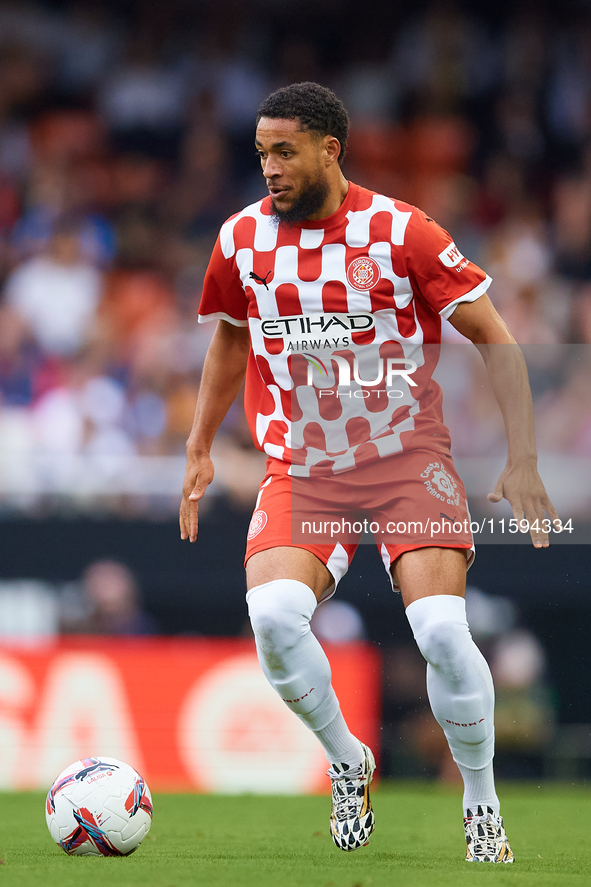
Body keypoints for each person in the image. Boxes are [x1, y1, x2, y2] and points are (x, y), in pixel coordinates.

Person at [180, 82, 558, 863]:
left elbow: (494, 335)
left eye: (284, 151)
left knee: (440, 631)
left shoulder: (400, 232)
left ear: (329, 149)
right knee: (276, 618)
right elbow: (228, 338)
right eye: (260, 154)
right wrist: (198, 444)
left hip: (404, 460)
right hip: (305, 466)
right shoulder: (242, 239)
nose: (269, 169)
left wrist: (522, 456)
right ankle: (348, 758)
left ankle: (480, 801)